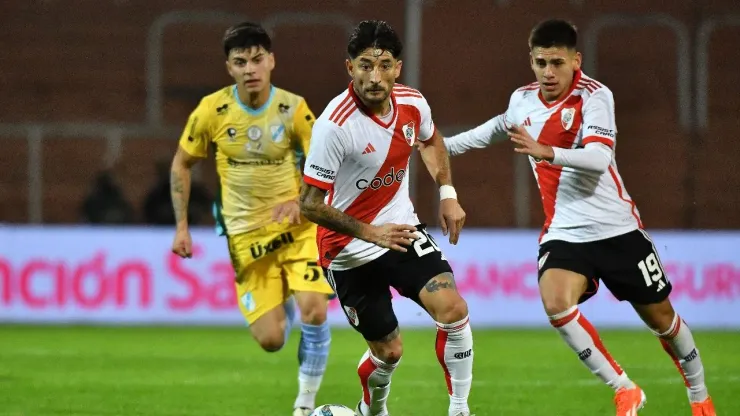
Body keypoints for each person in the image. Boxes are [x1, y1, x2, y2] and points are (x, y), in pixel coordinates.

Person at [444, 19, 716, 416]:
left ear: (576, 60)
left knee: (663, 320)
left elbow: (599, 157)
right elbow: (490, 132)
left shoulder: (594, 96)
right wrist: (437, 145)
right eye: (540, 63)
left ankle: (699, 396)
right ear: (531, 61)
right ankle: (624, 388)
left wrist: (547, 151)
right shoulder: (522, 100)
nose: (548, 72)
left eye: (557, 62)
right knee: (555, 302)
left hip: (616, 229)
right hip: (565, 232)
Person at [299, 20, 473, 416]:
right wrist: (369, 232)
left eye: (384, 65)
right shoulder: (334, 125)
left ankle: (460, 409)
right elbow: (308, 204)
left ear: (397, 67)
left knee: (454, 310)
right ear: (349, 68)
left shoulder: (413, 103)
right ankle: (372, 411)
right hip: (347, 251)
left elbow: (430, 140)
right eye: (364, 66)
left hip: (401, 229)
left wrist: (448, 193)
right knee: (389, 352)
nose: (374, 77)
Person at [169, 22, 334, 416]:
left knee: (316, 308)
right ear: (229, 67)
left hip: (297, 229)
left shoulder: (293, 108)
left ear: (272, 61)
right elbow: (181, 165)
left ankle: (305, 405)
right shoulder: (212, 110)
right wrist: (181, 226)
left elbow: (323, 164)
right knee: (272, 339)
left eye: (257, 59)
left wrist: (301, 201)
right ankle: (284, 306)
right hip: (245, 237)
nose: (250, 69)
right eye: (240, 61)